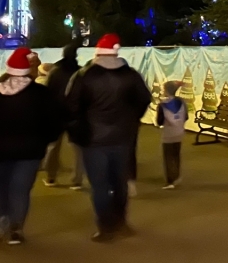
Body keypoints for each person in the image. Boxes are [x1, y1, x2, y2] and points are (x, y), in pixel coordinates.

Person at [67, 34, 152, 242]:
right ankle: (121, 221)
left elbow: (71, 106)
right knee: (120, 182)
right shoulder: (131, 75)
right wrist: (131, 120)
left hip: (93, 139)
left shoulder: (84, 75)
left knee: (100, 186)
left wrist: (78, 131)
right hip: (123, 137)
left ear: (97, 52)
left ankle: (105, 226)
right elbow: (144, 99)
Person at [0, 47, 65, 245]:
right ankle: (15, 230)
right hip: (31, 152)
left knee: (1, 188)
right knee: (20, 190)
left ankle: (1, 222)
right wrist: (46, 141)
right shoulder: (41, 94)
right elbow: (55, 122)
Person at [42, 44, 85, 190]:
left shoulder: (55, 71)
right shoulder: (80, 72)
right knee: (77, 148)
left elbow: (47, 92)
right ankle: (77, 180)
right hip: (75, 114)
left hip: (56, 113)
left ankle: (51, 177)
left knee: (53, 146)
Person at [156, 81, 186, 189]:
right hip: (179, 132)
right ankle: (177, 176)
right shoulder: (182, 102)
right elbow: (186, 117)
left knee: (168, 157)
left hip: (168, 134)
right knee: (176, 154)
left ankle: (170, 181)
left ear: (166, 91)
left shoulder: (162, 105)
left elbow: (159, 121)